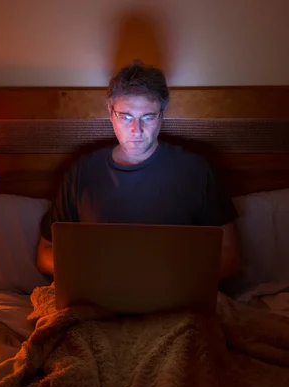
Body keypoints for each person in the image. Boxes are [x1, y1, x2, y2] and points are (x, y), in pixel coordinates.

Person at [37, 61, 240, 281]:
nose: (136, 130)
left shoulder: (195, 169)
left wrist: (175, 282)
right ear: (110, 112)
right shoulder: (81, 172)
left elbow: (229, 255)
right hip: (99, 297)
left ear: (162, 114)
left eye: (148, 117)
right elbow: (45, 253)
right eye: (125, 117)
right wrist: (95, 277)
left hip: (174, 297)